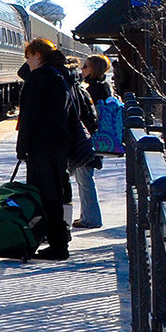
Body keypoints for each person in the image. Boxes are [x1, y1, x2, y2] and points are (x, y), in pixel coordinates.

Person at [16, 38, 76, 259]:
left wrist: (21, 148)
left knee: (44, 195)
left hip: (41, 146)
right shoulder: (58, 75)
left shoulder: (38, 78)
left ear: (37, 55)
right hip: (59, 144)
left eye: (29, 57)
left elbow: (29, 117)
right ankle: (58, 241)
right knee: (55, 193)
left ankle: (57, 246)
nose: (27, 62)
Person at [69, 54, 112, 230]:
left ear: (94, 69)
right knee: (85, 178)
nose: (82, 69)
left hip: (88, 141)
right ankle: (87, 216)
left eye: (86, 66)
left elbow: (89, 117)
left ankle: (91, 218)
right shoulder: (104, 87)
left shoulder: (93, 90)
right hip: (97, 140)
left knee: (85, 179)